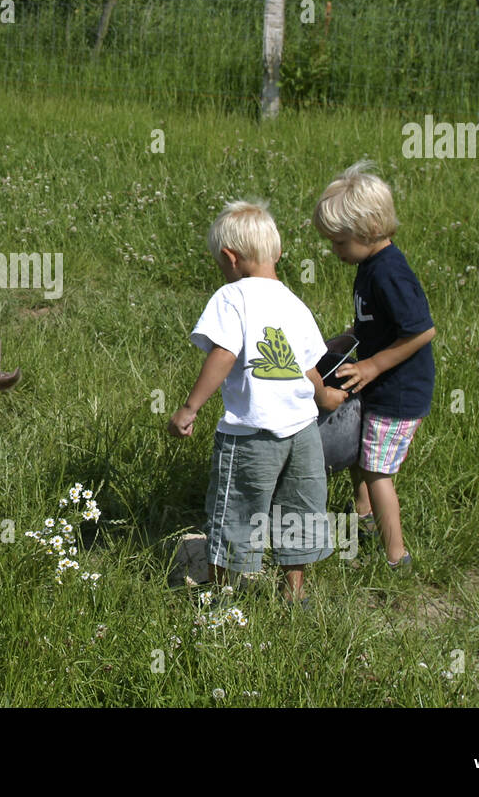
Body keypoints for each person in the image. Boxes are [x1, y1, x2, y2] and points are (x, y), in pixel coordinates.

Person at [169, 200, 347, 605]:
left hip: (251, 434)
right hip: (303, 432)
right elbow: (307, 369)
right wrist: (326, 398)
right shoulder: (294, 303)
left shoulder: (232, 298)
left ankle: (221, 596)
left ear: (229, 258)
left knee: (236, 509)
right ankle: (293, 593)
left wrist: (190, 407)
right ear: (278, 253)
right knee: (298, 509)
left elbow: (224, 353)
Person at [313, 162, 436, 569]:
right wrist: (348, 340)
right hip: (381, 386)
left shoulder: (390, 273)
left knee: (376, 470)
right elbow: (376, 323)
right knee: (358, 456)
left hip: (399, 392)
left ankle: (396, 556)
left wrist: (372, 366)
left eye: (339, 243)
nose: (334, 251)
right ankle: (364, 521)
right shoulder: (369, 266)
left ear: (366, 232)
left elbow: (421, 331)